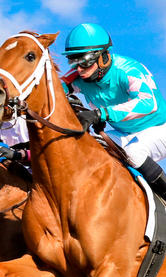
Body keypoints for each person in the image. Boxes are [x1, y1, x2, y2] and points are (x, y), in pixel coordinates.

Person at [62, 23, 166, 199]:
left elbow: (149, 103)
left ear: (102, 56)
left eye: (84, 60)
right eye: (74, 60)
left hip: (159, 129)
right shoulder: (79, 76)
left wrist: (100, 114)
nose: (79, 68)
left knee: (133, 153)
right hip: (123, 132)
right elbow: (52, 90)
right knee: (84, 146)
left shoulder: (129, 70)